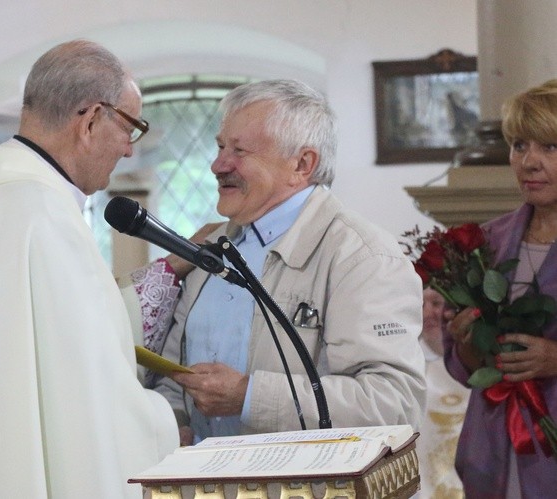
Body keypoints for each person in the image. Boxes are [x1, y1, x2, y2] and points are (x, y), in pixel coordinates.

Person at [0, 39, 177, 498]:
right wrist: (167, 418)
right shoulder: (42, 218)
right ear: (91, 119)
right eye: (131, 127)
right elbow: (87, 405)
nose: (127, 151)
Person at [130, 79, 426, 445]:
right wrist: (171, 423)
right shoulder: (210, 247)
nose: (218, 165)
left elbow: (394, 404)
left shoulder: (361, 256)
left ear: (302, 164)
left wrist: (249, 397)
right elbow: (178, 381)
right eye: (221, 146)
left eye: (240, 151)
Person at [444, 80, 557, 498]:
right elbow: (463, 366)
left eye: (550, 148)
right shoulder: (484, 243)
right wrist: (469, 343)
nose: (529, 162)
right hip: (491, 453)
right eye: (520, 145)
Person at [416, 288, 468, 499]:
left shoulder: (477, 365)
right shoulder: (413, 372)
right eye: (421, 306)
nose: (429, 313)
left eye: (437, 303)